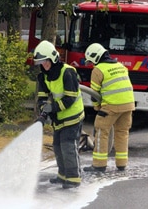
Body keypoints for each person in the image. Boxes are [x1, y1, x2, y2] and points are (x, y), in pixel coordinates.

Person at [34, 40, 85, 188]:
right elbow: (42, 97)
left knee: (68, 147)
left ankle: (74, 178)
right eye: (41, 63)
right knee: (57, 146)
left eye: (46, 62)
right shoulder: (43, 76)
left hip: (73, 116)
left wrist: (53, 108)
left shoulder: (67, 72)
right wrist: (44, 110)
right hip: (59, 117)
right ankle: (63, 175)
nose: (44, 65)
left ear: (53, 58)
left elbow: (70, 98)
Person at [83, 43, 135, 172]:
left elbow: (94, 94)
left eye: (90, 61)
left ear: (95, 57)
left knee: (101, 132)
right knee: (122, 133)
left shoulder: (98, 70)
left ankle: (99, 164)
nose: (91, 64)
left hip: (111, 106)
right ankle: (121, 163)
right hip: (128, 105)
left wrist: (97, 107)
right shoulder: (121, 66)